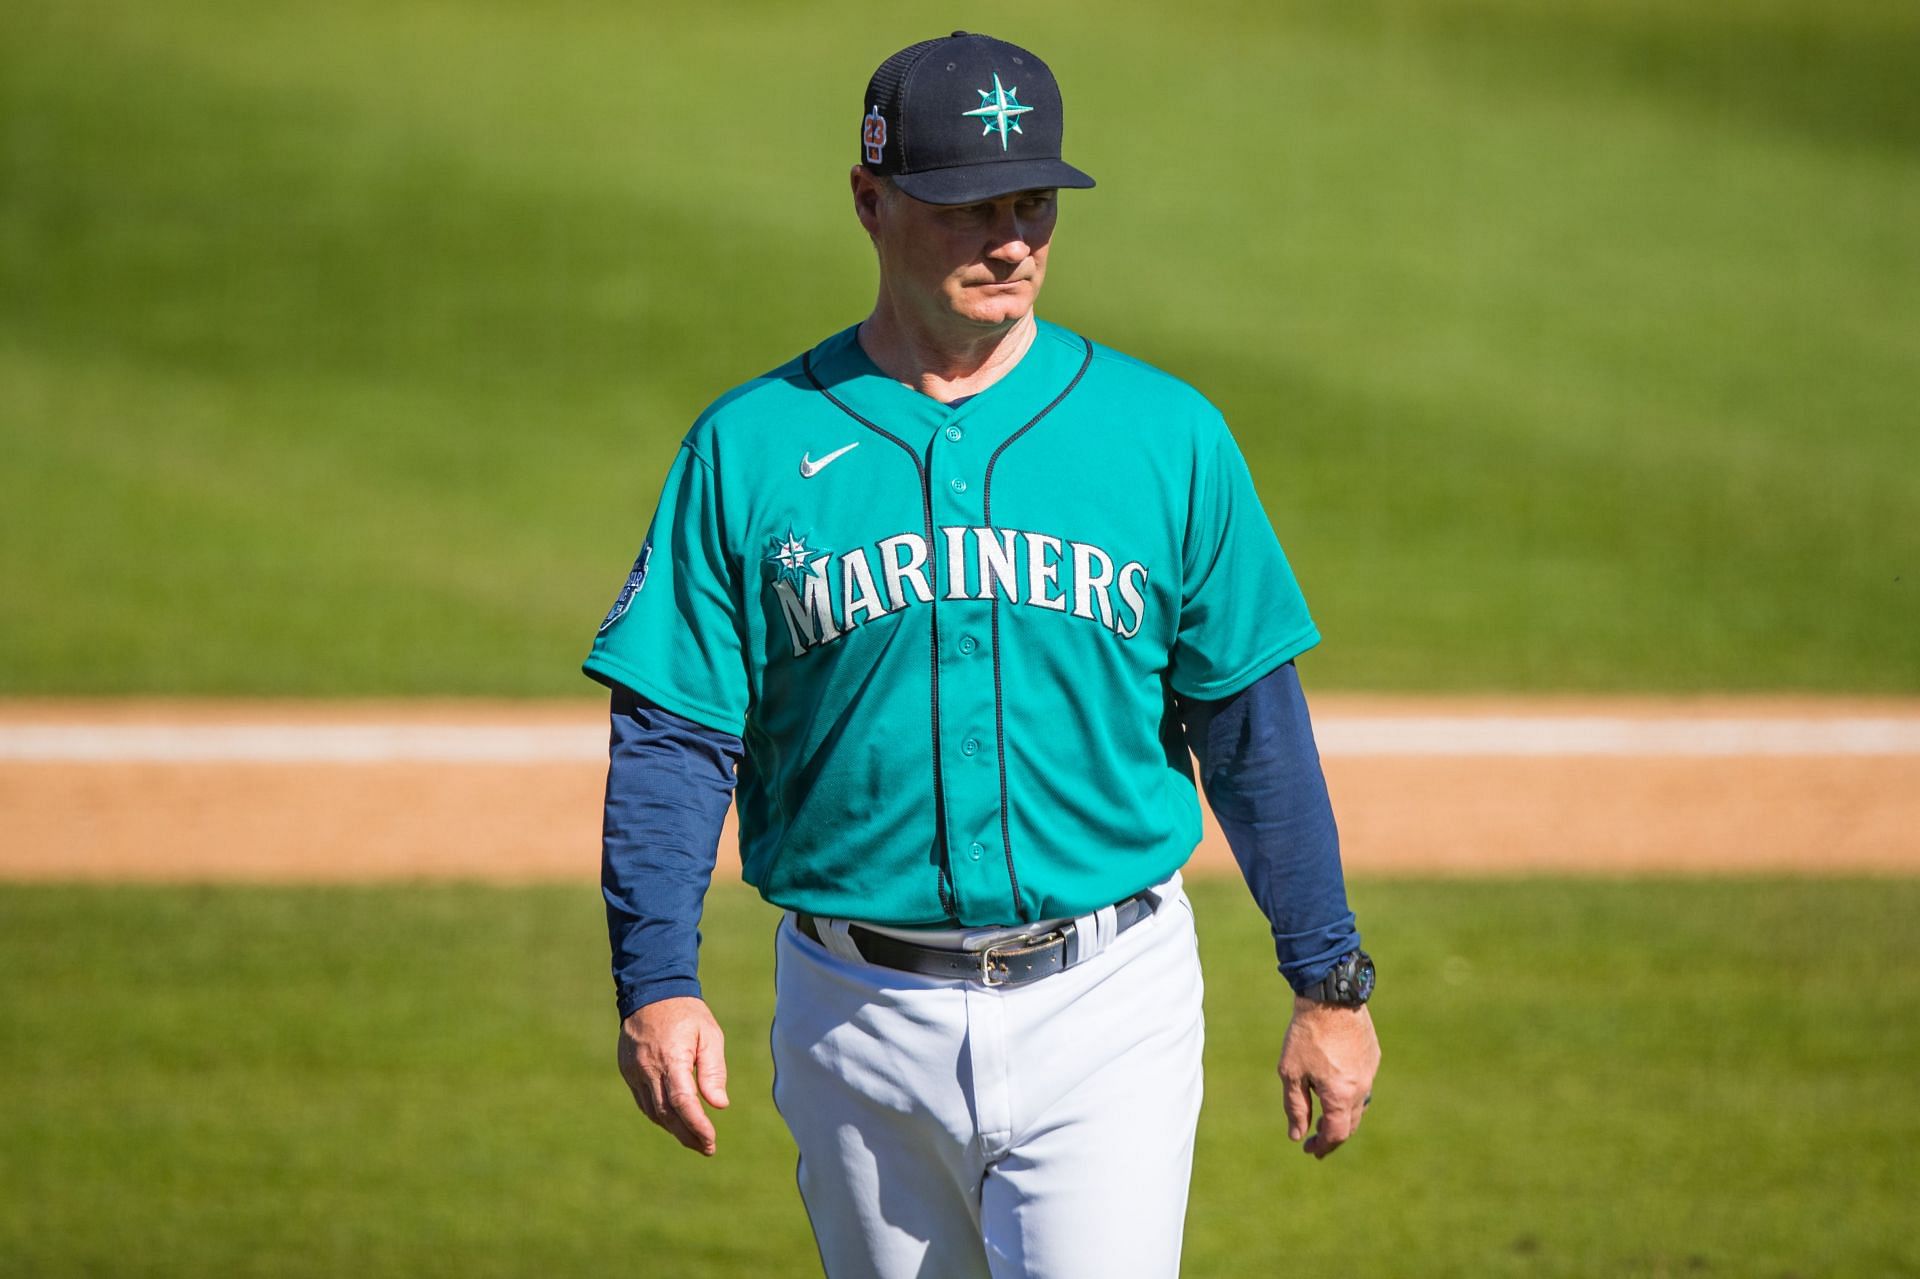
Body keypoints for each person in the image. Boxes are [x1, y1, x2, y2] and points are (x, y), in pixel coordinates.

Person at [585, 31, 1381, 1278]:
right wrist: (657, 979)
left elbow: (1250, 726)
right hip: (855, 1011)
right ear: (868, 201)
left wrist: (1329, 978)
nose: (1011, 240)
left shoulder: (1165, 436)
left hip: (1105, 1001)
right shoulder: (748, 450)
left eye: (1032, 205)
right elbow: (676, 732)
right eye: (967, 207)